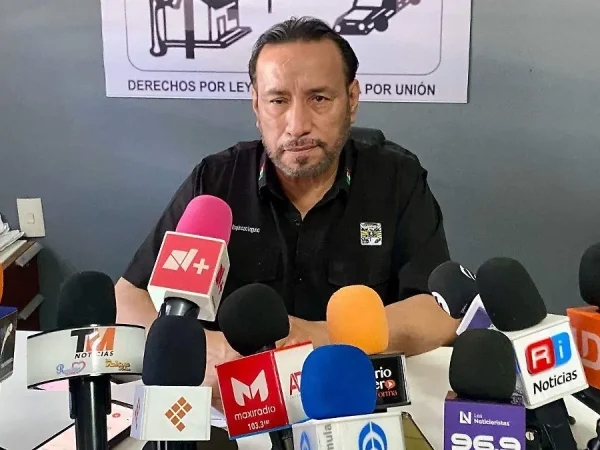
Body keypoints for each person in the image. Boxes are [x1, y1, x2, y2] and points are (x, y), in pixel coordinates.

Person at [115, 16, 459, 405]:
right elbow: (128, 297)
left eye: (319, 99)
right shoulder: (216, 181)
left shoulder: (396, 179)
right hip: (236, 405)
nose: (297, 126)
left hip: (355, 402)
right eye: (278, 100)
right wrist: (201, 347)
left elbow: (441, 311)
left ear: (352, 100)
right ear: (256, 105)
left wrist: (322, 336)